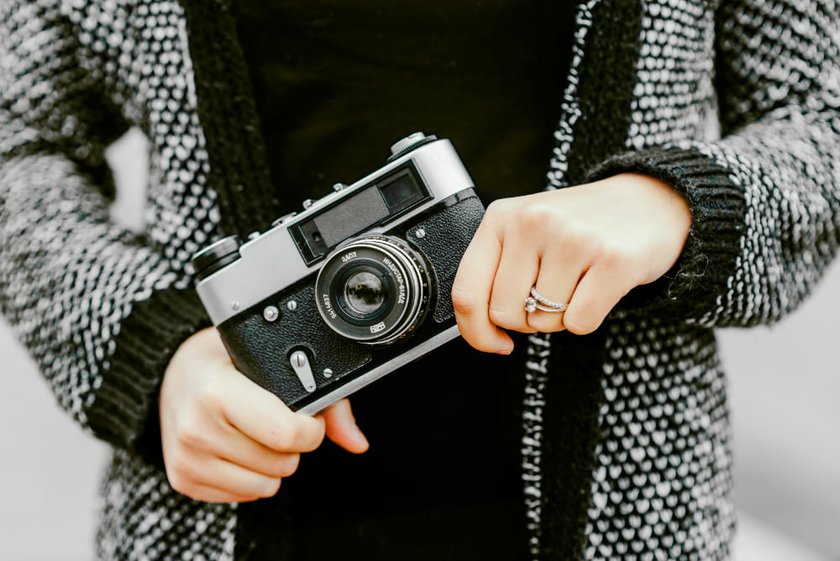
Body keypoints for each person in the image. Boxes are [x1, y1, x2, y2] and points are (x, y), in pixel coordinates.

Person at [0, 0, 837, 560]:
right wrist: (153, 353)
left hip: (626, 523)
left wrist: (675, 206)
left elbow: (821, 112)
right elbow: (16, 133)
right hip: (225, 509)